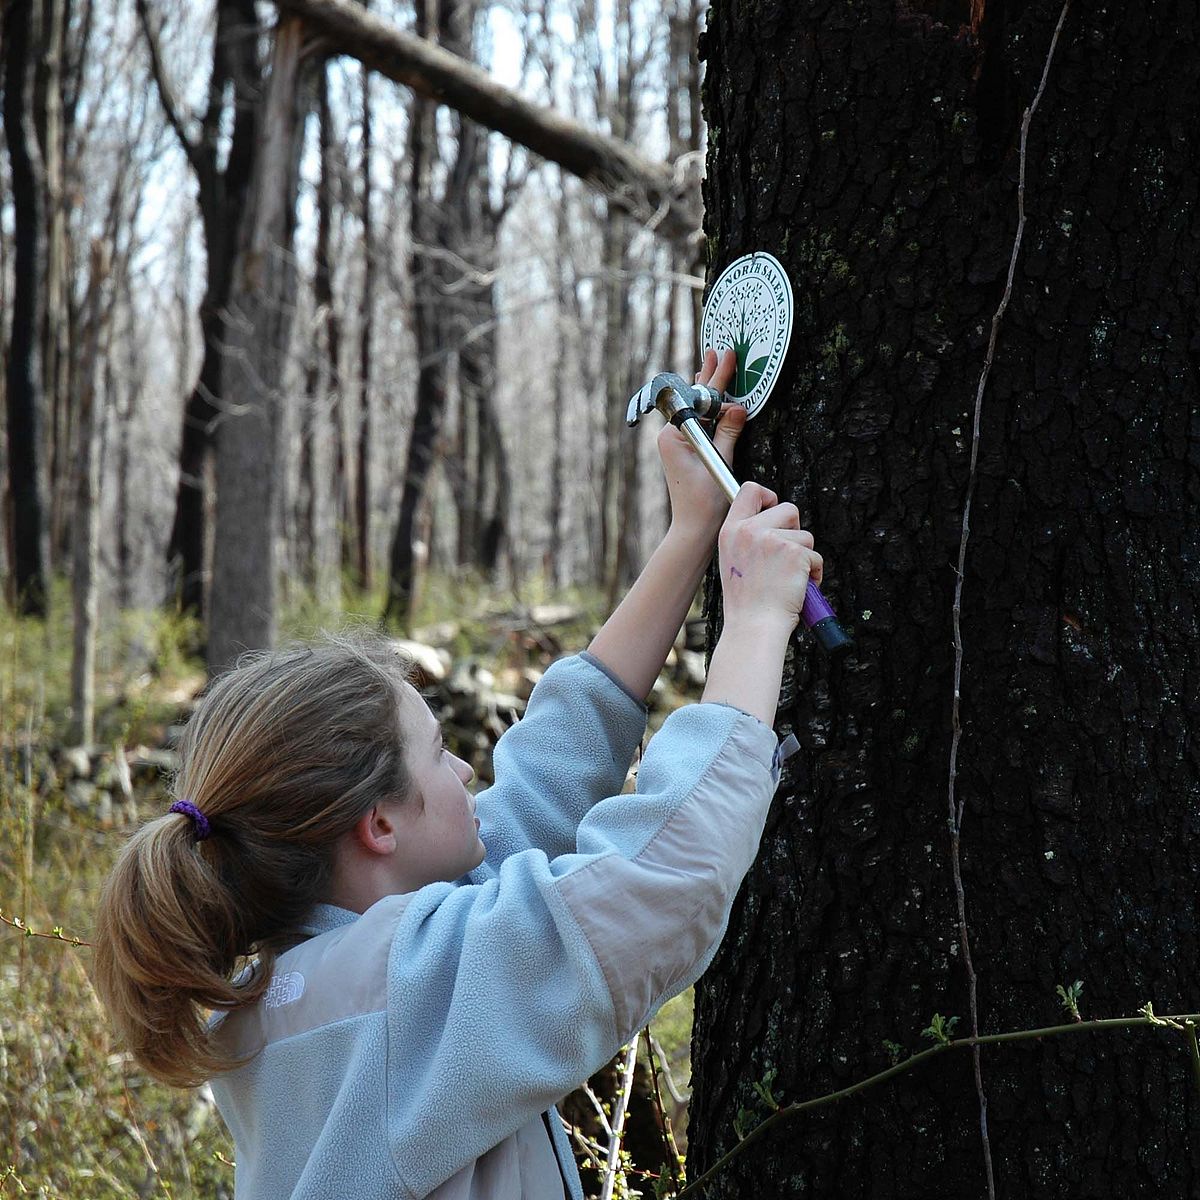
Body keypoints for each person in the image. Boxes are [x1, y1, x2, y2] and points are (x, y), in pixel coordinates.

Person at [92, 348, 823, 1200]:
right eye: (438, 752)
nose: (468, 764)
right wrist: (758, 626)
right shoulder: (404, 994)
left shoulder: (290, 995)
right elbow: (658, 885)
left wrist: (690, 533)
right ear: (378, 826)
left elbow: (537, 788)